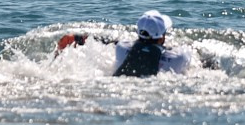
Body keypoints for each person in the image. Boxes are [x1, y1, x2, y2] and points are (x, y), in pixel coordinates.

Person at [54, 10, 193, 77]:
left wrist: (76, 37)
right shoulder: (178, 58)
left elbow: (103, 40)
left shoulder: (122, 48)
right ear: (162, 37)